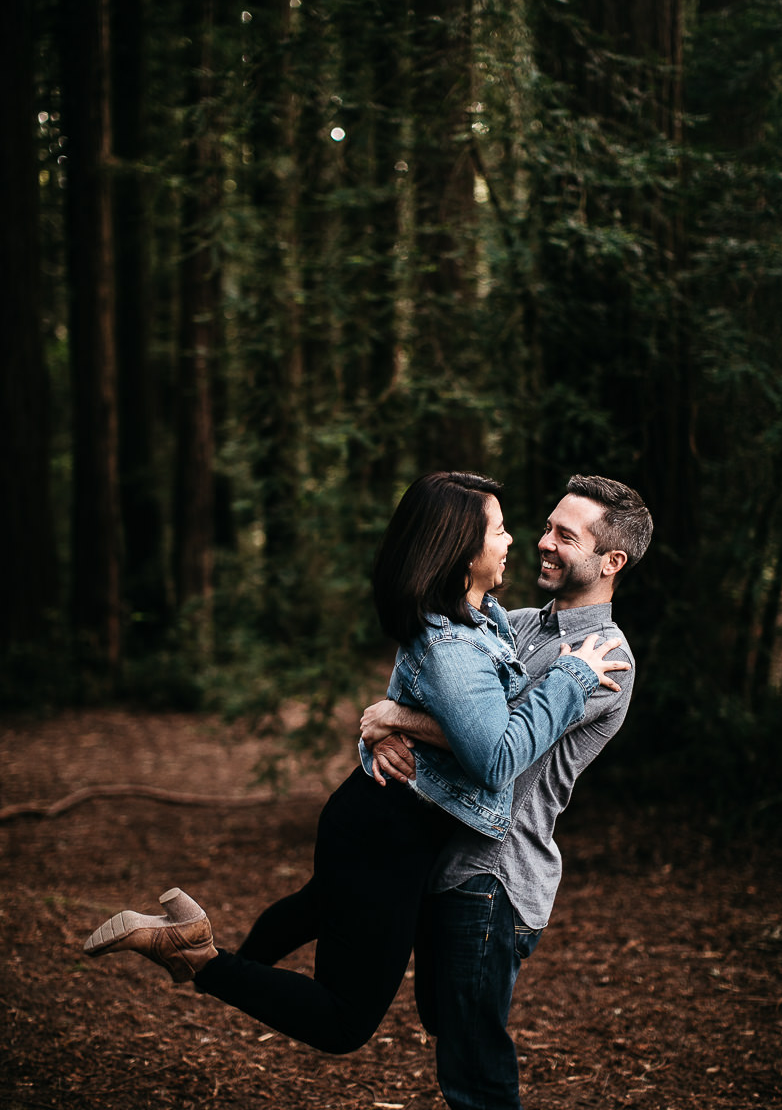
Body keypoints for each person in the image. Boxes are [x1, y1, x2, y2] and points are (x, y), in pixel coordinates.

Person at [83, 472, 628, 1056]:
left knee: (320, 906)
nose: (521, 540)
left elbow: (464, 717)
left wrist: (394, 718)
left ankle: (210, 957)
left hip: (390, 818)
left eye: (558, 533)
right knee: (344, 1022)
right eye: (501, 530)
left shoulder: (493, 621)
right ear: (462, 553)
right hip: (393, 830)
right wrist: (569, 677)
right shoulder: (464, 640)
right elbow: (494, 753)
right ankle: (200, 959)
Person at [359, 474, 653, 1109]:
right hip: (447, 863)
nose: (542, 542)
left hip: (496, 876)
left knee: (476, 1076)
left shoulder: (606, 660)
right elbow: (445, 693)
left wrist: (397, 718)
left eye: (565, 536)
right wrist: (385, 728)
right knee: (450, 1033)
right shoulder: (510, 624)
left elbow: (497, 749)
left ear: (611, 562)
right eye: (547, 527)